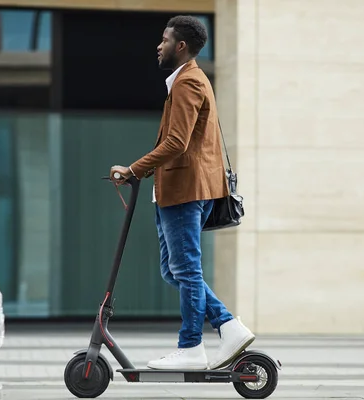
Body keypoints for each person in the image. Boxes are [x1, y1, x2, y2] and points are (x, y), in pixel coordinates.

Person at [109, 15, 254, 370]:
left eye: (164, 40)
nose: (159, 46)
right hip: (179, 190)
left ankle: (191, 348)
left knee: (186, 270)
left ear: (181, 46)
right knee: (173, 271)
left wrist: (133, 169)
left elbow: (177, 142)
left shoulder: (188, 82)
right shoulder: (186, 81)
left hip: (186, 191)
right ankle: (229, 326)